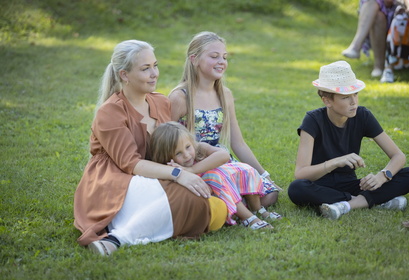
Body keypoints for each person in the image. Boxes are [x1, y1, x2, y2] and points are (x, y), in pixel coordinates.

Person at [73, 40, 227, 256]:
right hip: (114, 182)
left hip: (153, 177)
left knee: (201, 198)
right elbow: (131, 164)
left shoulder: (161, 103)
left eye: (155, 65)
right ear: (124, 75)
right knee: (190, 199)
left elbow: (174, 144)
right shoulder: (110, 112)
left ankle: (134, 226)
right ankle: (116, 239)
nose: (154, 73)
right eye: (145, 69)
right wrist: (179, 174)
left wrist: (194, 161)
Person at [287, 61, 409, 220]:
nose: (354, 102)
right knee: (296, 188)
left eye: (355, 94)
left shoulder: (363, 115)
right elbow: (301, 173)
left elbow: (398, 156)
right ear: (327, 101)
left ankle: (345, 205)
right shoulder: (312, 120)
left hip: (351, 185)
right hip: (320, 184)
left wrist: (382, 176)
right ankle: (373, 201)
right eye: (345, 97)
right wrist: (335, 162)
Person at [169, 31, 281, 208]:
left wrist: (264, 175)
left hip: (220, 159)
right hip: (193, 162)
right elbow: (166, 141)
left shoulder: (225, 95)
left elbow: (238, 143)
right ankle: (230, 203)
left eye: (224, 57)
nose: (221, 62)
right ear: (194, 59)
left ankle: (235, 202)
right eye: (214, 56)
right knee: (220, 198)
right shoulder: (180, 97)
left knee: (269, 194)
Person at [150, 121, 282, 230]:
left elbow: (224, 155)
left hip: (232, 186)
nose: (186, 154)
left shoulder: (199, 148)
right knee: (214, 177)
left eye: (188, 147)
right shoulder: (172, 169)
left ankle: (257, 209)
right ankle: (248, 218)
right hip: (213, 193)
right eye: (178, 153)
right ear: (167, 157)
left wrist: (192, 169)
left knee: (245, 168)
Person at [342, 0, 397, 77]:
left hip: (395, 11)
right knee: (377, 16)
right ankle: (378, 66)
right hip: (376, 11)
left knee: (373, 4)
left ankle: (356, 46)